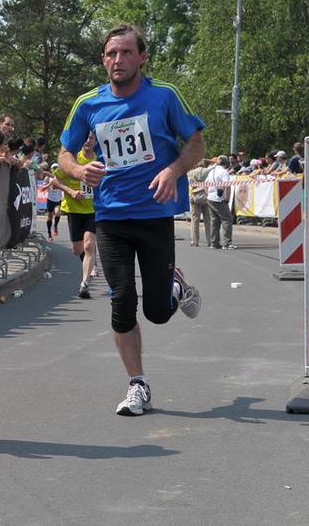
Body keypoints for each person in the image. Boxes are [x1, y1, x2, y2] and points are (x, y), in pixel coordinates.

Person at [58, 24, 204, 417]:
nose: (117, 60)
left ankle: (174, 286)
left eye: (125, 53)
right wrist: (77, 172)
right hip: (110, 218)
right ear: (103, 60)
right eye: (110, 54)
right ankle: (137, 384)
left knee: (156, 312)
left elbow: (197, 143)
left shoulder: (164, 96)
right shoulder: (89, 103)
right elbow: (64, 155)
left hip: (155, 214)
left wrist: (172, 171)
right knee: (121, 298)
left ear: (141, 57)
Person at [54, 134, 98, 299]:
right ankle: (91, 259)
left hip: (93, 210)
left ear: (95, 141)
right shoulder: (72, 159)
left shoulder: (99, 160)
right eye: (85, 138)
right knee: (77, 250)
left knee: (88, 245)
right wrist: (71, 191)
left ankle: (84, 284)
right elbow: (56, 180)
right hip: (74, 209)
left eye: (91, 138)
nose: (88, 141)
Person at [206, 155, 236, 250]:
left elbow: (205, 185)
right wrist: (227, 198)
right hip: (219, 199)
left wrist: (208, 194)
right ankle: (227, 243)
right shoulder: (224, 172)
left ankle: (214, 243)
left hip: (210, 198)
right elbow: (227, 186)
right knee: (227, 219)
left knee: (214, 220)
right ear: (226, 163)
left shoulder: (212, 171)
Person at [187, 159, 212, 247]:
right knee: (208, 219)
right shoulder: (208, 171)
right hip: (206, 196)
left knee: (195, 219)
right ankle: (210, 240)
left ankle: (195, 241)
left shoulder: (191, 173)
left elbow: (190, 183)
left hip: (195, 196)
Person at [44, 164, 63, 240]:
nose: (55, 170)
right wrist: (50, 184)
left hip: (58, 199)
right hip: (50, 199)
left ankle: (55, 226)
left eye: (57, 168)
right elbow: (43, 188)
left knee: (58, 212)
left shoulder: (60, 177)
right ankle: (49, 233)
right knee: (50, 217)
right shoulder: (47, 178)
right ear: (51, 169)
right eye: (53, 168)